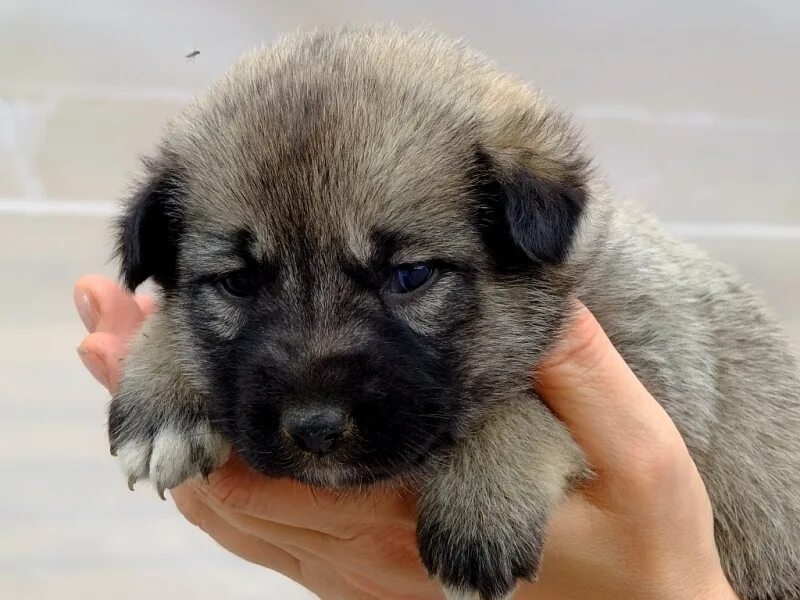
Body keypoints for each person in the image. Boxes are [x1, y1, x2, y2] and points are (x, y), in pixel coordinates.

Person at [74, 274, 739, 599]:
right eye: (244, 282)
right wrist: (172, 363)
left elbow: (600, 405)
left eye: (407, 278)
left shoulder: (604, 289)